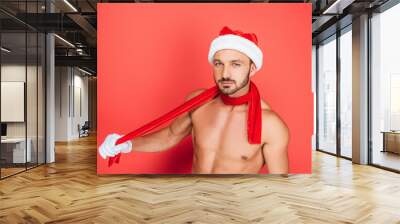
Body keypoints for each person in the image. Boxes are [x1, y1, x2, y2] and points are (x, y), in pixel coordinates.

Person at [99, 26, 289, 174]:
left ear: (252, 68)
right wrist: (126, 143)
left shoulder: (271, 125)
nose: (225, 73)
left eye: (236, 64)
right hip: (194, 201)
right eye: (218, 64)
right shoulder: (199, 102)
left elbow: (281, 185)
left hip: (235, 210)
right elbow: (170, 136)